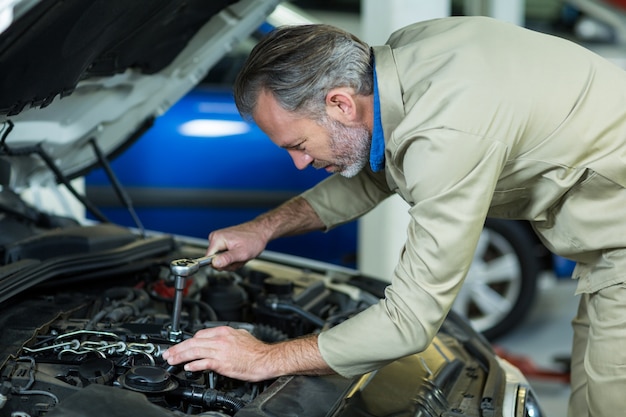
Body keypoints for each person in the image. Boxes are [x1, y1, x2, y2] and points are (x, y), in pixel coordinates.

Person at [162, 16, 626, 417]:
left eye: (298, 145)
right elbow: (377, 173)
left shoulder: (445, 132)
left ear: (340, 103)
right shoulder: (397, 63)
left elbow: (410, 321)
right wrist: (262, 229)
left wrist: (265, 358)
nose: (298, 164)